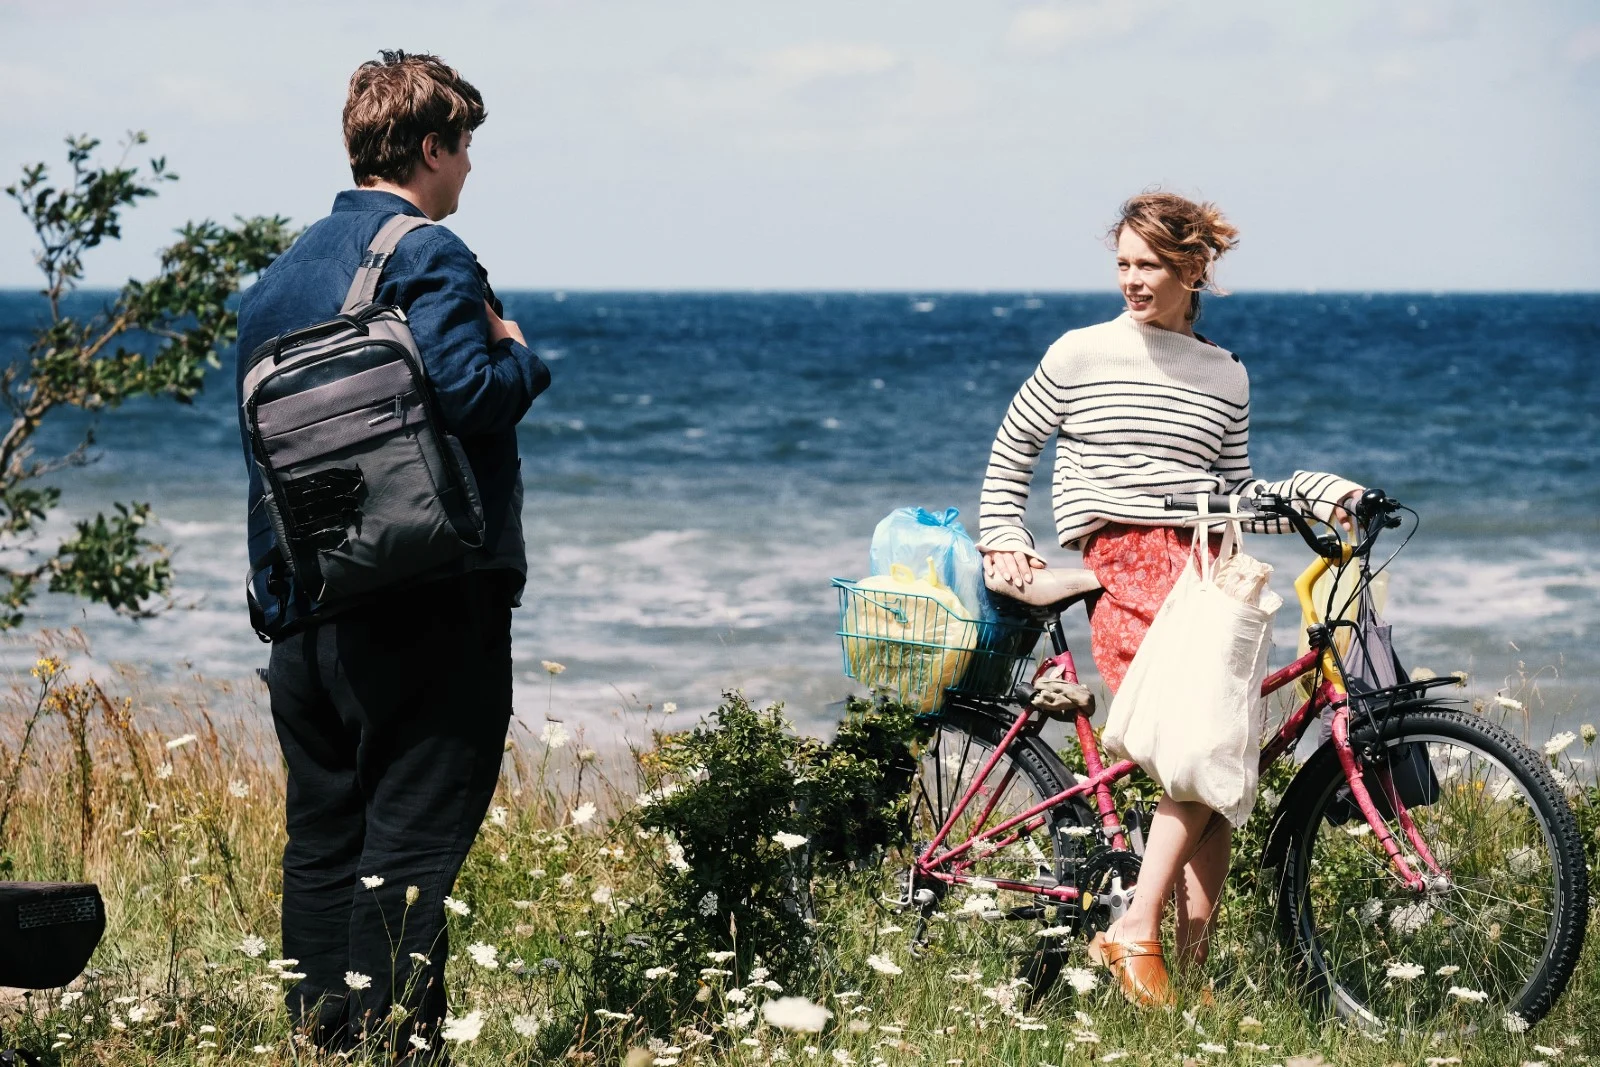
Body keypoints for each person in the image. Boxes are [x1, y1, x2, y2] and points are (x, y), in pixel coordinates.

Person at [234, 51, 550, 1057]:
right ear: (430, 145)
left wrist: (282, 602)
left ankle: (322, 1043)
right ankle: (392, 1049)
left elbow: (264, 455)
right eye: (464, 149)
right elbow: (471, 393)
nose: (468, 172)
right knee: (411, 852)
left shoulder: (278, 279)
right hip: (429, 605)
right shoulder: (431, 257)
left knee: (323, 846)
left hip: (310, 612)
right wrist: (521, 352)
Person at [975, 192, 1361, 1006]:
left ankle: (1188, 971)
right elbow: (1014, 449)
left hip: (1206, 564)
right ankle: (1135, 927)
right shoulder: (1081, 354)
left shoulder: (1225, 375)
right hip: (1121, 560)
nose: (1131, 280)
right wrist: (1003, 531)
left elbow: (1235, 490)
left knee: (1223, 759)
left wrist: (1318, 492)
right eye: (1122, 264)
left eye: (1148, 265)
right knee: (1198, 750)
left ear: (1193, 268)